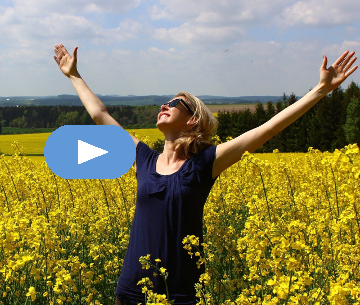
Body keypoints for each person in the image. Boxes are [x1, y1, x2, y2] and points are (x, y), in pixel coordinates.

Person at [53, 44, 357, 305]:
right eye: (164, 102)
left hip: (181, 295)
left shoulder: (204, 164)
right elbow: (101, 116)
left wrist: (320, 90)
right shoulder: (143, 159)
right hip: (131, 292)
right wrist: (74, 75)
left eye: (176, 104)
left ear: (193, 119)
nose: (165, 105)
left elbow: (266, 129)